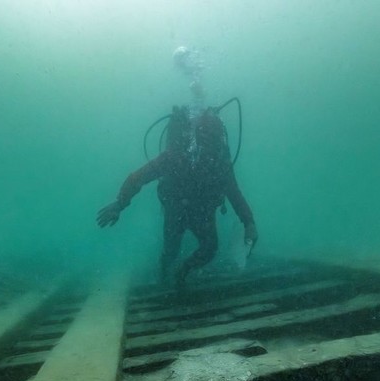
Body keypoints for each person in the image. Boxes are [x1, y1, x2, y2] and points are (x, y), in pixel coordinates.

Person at [96, 105, 258, 287]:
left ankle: (182, 271)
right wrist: (119, 204)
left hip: (199, 211)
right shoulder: (174, 157)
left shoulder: (219, 162)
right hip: (177, 208)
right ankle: (165, 272)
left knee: (209, 249)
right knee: (171, 250)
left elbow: (234, 192)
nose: (206, 153)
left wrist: (249, 222)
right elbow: (138, 178)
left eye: (212, 144)